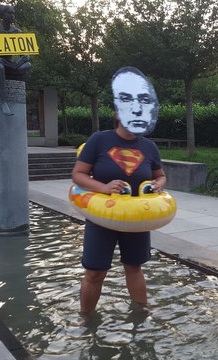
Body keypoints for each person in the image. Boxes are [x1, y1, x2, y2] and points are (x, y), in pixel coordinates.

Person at [71, 67, 166, 318]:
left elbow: (160, 175)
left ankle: (141, 316)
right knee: (94, 272)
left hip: (136, 217)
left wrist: (159, 185)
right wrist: (103, 187)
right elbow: (78, 174)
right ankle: (86, 319)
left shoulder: (149, 147)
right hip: (102, 216)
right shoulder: (99, 140)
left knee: (134, 267)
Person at [0, 4, 31, 116]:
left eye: (13, 13)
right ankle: (3, 102)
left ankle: (11, 71)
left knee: (28, 65)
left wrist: (23, 59)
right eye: (10, 13)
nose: (13, 15)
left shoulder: (17, 32)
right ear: (2, 15)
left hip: (11, 64)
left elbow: (24, 54)